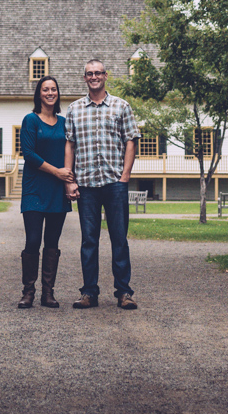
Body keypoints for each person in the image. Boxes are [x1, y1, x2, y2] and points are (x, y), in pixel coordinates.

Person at [64, 58, 140, 310]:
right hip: (86, 185)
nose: (94, 77)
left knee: (119, 238)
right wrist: (70, 180)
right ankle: (89, 292)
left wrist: (125, 176)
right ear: (84, 78)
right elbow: (70, 145)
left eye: (98, 73)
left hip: (114, 183)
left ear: (106, 76)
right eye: (89, 74)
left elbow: (131, 140)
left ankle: (124, 292)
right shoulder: (74, 109)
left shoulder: (121, 106)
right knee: (89, 240)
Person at [17, 75, 73, 308]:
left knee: (52, 241)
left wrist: (68, 177)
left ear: (57, 94)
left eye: (53, 89)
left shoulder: (64, 123)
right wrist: (56, 172)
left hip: (57, 191)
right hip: (34, 189)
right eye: (45, 89)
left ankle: (47, 293)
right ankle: (28, 292)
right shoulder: (31, 120)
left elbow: (71, 151)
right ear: (39, 94)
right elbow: (28, 154)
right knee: (32, 241)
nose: (50, 93)